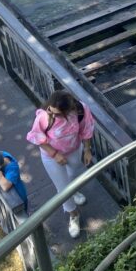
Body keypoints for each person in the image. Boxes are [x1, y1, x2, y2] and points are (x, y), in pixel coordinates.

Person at [26, 89, 95, 238]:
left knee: (73, 174)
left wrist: (87, 150)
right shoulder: (45, 117)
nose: (51, 113)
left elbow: (86, 129)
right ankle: (73, 213)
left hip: (74, 149)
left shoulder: (80, 110)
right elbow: (37, 138)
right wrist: (54, 154)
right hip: (52, 156)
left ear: (69, 110)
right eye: (50, 109)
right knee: (62, 188)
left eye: (57, 114)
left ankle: (73, 191)